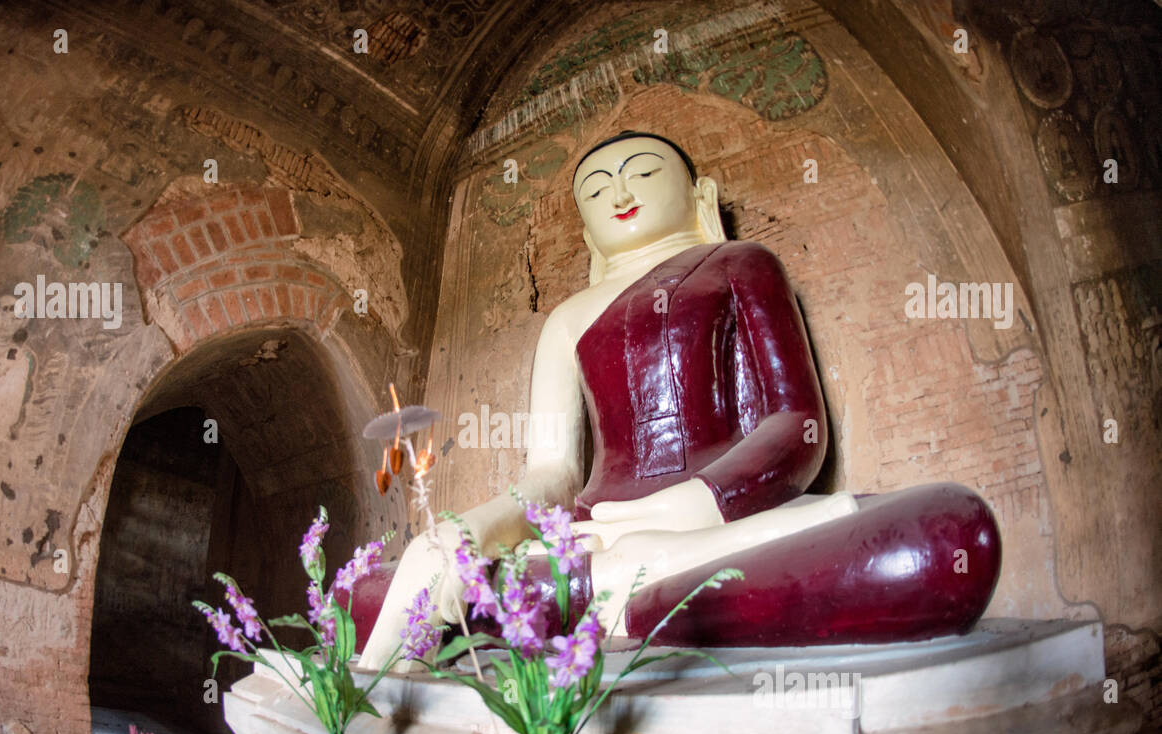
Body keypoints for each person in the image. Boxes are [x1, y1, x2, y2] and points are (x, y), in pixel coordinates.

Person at [356, 131, 1000, 669]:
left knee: (947, 535)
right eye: (598, 189)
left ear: (700, 196)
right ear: (585, 231)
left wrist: (679, 510)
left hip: (726, 528)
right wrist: (475, 530)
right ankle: (639, 602)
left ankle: (597, 606)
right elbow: (551, 473)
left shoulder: (742, 265)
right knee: (370, 586)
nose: (622, 194)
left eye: (640, 172)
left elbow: (796, 429)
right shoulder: (569, 318)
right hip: (594, 537)